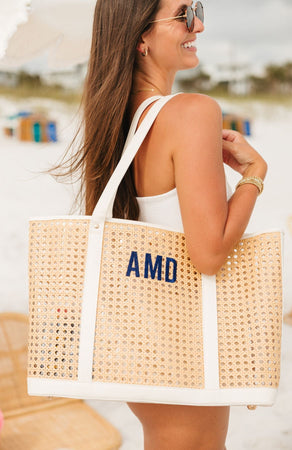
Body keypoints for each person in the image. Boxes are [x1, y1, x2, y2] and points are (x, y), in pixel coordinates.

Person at [65, 0, 268, 448]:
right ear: (140, 36)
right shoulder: (191, 112)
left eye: (198, 7)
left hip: (143, 342)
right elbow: (210, 253)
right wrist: (253, 177)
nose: (199, 22)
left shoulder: (120, 119)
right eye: (183, 13)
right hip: (184, 346)